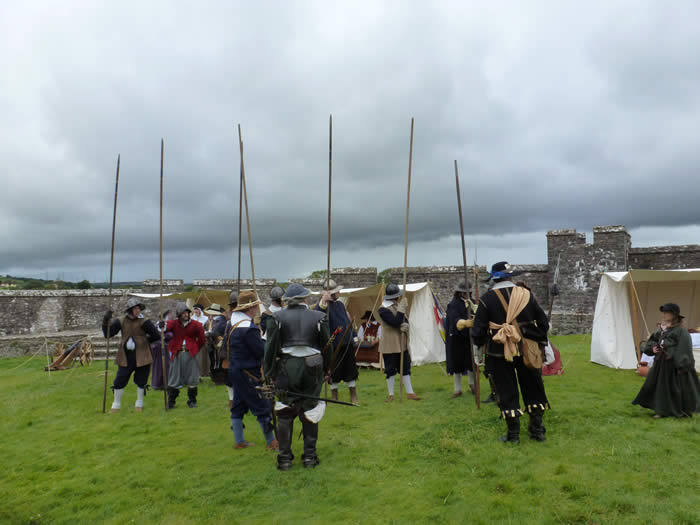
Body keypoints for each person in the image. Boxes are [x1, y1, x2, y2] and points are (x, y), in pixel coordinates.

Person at [472, 261, 550, 444]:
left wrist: (478, 352)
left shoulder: (486, 299)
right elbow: (543, 324)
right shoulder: (526, 295)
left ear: (494, 279)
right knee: (533, 386)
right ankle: (537, 431)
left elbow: (478, 331)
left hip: (498, 352)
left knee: (506, 390)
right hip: (526, 349)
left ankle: (513, 436)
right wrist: (532, 336)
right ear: (510, 276)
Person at [263, 283, 331, 470]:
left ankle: (285, 459)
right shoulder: (320, 317)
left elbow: (270, 349)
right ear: (305, 299)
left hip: (287, 366)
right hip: (313, 367)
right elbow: (328, 347)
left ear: (286, 301)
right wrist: (327, 370)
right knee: (310, 409)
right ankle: (309, 457)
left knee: (285, 411)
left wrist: (269, 373)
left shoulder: (276, 317)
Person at [224, 290, 278, 450]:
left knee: (238, 406)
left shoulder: (234, 325)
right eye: (255, 306)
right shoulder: (248, 328)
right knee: (262, 406)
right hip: (248, 372)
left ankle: (239, 441)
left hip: (236, 370)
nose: (256, 310)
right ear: (249, 309)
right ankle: (272, 442)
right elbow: (261, 351)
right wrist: (263, 339)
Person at [632, 303, 700, 418]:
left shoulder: (681, 332)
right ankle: (660, 409)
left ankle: (674, 410)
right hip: (660, 363)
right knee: (656, 386)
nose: (664, 315)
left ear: (674, 315)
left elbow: (684, 348)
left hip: (673, 364)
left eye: (666, 312)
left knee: (674, 389)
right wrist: (652, 348)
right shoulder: (661, 330)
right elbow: (652, 341)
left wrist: (681, 364)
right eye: (663, 312)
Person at [102, 297, 160, 413]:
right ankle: (116, 405)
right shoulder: (121, 320)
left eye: (139, 308)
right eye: (135, 308)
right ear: (130, 310)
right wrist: (106, 321)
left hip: (142, 355)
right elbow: (108, 334)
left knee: (141, 380)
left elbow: (156, 335)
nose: (138, 311)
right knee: (120, 379)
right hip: (125, 355)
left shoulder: (145, 321)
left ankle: (139, 404)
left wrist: (144, 340)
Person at [315, 279, 359, 404]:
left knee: (350, 369)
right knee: (333, 371)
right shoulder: (323, 306)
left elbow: (346, 322)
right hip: (333, 344)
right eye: (336, 291)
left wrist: (354, 336)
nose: (339, 292)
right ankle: (334, 396)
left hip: (346, 342)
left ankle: (353, 395)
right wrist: (324, 301)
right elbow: (318, 314)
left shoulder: (339, 305)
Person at [376, 283, 421, 402]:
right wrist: (401, 309)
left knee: (405, 368)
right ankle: (391, 394)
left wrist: (406, 324)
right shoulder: (382, 309)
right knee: (390, 370)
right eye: (397, 297)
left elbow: (403, 320)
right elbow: (395, 322)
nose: (398, 299)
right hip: (390, 343)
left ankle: (410, 393)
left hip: (401, 341)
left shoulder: (396, 305)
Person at [166, 302, 206, 409]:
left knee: (192, 379)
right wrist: (162, 325)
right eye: (183, 313)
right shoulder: (174, 323)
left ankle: (192, 401)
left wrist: (194, 348)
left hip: (190, 354)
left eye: (187, 313)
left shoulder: (196, 325)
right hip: (177, 354)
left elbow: (202, 340)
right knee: (174, 378)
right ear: (179, 315)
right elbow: (166, 327)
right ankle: (171, 402)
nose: (186, 315)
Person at [445, 280, 476, 398]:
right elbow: (454, 320)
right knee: (457, 364)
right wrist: (466, 322)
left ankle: (472, 384)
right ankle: (457, 389)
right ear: (459, 292)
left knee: (471, 362)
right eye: (464, 292)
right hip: (457, 337)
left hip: (470, 337)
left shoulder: (473, 302)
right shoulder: (453, 304)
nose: (466, 294)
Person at [151, 309, 172, 390]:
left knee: (166, 366)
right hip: (158, 349)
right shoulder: (158, 325)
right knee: (158, 366)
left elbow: (170, 335)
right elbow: (155, 335)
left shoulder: (167, 325)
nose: (170, 316)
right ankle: (157, 384)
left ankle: (165, 384)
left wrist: (167, 336)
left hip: (166, 348)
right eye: (169, 315)